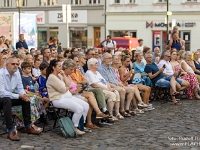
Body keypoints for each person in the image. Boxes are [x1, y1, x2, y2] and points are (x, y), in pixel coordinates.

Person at [0, 56, 41, 141]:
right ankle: (10, 130)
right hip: (1, 98)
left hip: (9, 97)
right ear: (7, 65)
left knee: (25, 99)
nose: (15, 66)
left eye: (17, 64)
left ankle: (27, 126)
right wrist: (19, 96)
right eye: (13, 64)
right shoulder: (1, 74)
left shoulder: (17, 73)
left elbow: (20, 88)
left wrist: (24, 95)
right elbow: (2, 92)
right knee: (7, 100)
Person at [46, 59, 89, 135]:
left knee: (85, 105)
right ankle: (74, 128)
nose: (61, 68)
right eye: (59, 66)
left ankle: (81, 125)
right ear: (53, 67)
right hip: (58, 99)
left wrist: (63, 76)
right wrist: (67, 87)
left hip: (67, 96)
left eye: (61, 66)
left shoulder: (59, 75)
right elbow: (62, 89)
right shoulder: (52, 77)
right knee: (79, 109)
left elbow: (69, 83)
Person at [63, 59, 109, 129]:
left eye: (78, 61)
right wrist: (79, 85)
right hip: (73, 93)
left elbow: (86, 81)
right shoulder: (67, 74)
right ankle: (87, 122)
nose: (77, 64)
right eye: (76, 62)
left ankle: (93, 118)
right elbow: (70, 87)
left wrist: (79, 83)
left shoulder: (76, 71)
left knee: (91, 94)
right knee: (88, 100)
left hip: (78, 90)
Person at [98, 53, 135, 117]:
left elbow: (115, 79)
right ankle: (121, 109)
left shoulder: (109, 68)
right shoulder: (101, 69)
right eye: (109, 58)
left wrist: (121, 84)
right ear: (104, 60)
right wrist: (117, 86)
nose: (111, 59)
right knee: (122, 90)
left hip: (115, 85)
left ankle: (127, 108)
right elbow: (106, 82)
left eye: (111, 58)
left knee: (131, 89)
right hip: (108, 87)